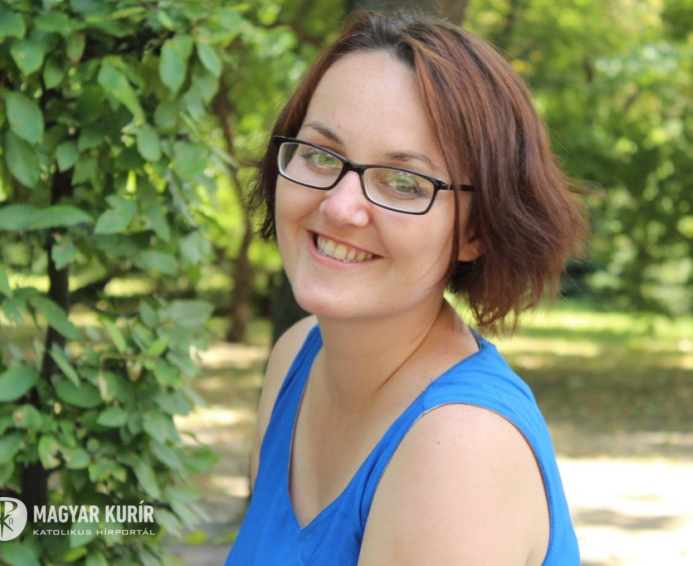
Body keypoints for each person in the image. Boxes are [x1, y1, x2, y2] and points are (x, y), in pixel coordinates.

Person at [226, 10, 586, 566]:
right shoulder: (297, 357)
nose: (340, 207)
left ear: (476, 229)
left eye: (402, 182)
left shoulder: (459, 451)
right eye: (320, 154)